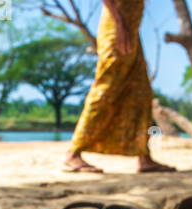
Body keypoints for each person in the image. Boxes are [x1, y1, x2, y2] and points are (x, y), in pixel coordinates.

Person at [62, 0, 174, 174]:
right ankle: (73, 153)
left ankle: (144, 157)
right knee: (106, 89)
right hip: (117, 28)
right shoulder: (118, 24)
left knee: (141, 91)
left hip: (131, 30)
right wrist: (120, 23)